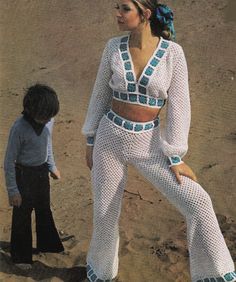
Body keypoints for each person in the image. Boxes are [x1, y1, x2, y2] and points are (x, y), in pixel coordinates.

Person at [82, 1, 236, 281]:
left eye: (125, 8)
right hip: (108, 140)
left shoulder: (173, 54)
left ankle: (214, 274)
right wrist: (91, 138)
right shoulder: (112, 48)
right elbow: (99, 95)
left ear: (145, 15)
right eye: (117, 7)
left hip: (149, 145)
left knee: (198, 201)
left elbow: (180, 105)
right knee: (105, 215)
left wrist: (175, 156)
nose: (117, 13)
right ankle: (102, 273)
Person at [4, 84, 64, 270]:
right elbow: (8, 162)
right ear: (29, 110)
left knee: (44, 210)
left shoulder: (48, 121)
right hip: (24, 175)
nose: (47, 120)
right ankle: (21, 256)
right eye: (44, 116)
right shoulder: (19, 128)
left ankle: (48, 244)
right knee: (22, 216)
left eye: (50, 116)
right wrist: (13, 191)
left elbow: (47, 144)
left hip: (41, 173)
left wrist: (52, 166)